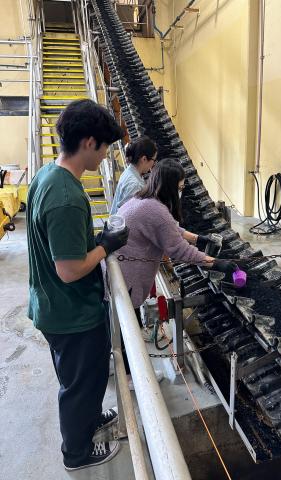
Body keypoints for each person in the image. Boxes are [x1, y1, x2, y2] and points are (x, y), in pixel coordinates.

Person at [26, 99, 129, 471]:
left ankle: (88, 420)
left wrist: (93, 240)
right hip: (71, 312)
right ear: (89, 142)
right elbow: (68, 270)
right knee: (80, 386)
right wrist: (106, 245)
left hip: (54, 305)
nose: (104, 156)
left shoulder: (46, 175)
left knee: (81, 382)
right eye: (104, 148)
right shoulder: (67, 197)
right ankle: (78, 453)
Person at [115, 159, 238, 340]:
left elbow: (169, 228)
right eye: (179, 189)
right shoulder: (156, 210)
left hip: (120, 271)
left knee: (125, 320)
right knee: (126, 333)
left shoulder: (143, 198)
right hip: (128, 279)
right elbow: (180, 251)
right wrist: (217, 264)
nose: (180, 193)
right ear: (169, 188)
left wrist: (197, 238)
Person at [110, 135, 157, 214]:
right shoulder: (134, 185)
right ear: (144, 159)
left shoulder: (131, 171)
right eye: (154, 160)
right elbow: (129, 216)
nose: (154, 164)